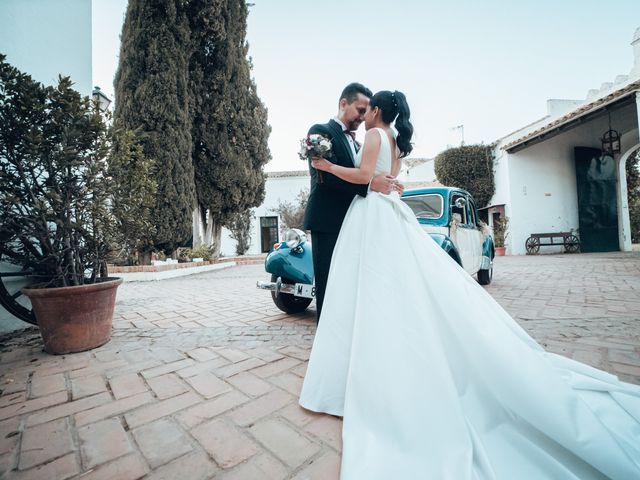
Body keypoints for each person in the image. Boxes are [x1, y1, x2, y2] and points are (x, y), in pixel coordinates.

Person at [299, 90, 640, 479]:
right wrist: (378, 181)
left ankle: (371, 365)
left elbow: (363, 178)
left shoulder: (375, 135)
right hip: (386, 212)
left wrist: (325, 165)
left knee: (372, 288)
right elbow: (386, 180)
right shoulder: (393, 140)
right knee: (391, 289)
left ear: (375, 110)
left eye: (367, 109)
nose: (363, 115)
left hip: (373, 215)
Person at [303, 82, 402, 322]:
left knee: (349, 287)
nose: (362, 116)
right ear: (343, 103)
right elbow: (325, 176)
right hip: (328, 221)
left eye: (366, 110)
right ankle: (325, 345)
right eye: (359, 109)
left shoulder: (361, 142)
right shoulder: (320, 131)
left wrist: (382, 182)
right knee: (329, 284)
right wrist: (370, 184)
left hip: (356, 220)